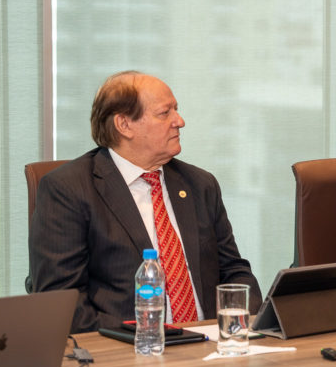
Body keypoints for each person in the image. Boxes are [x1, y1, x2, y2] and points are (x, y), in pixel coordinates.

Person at [29, 71, 261, 333]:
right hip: (128, 349)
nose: (180, 121)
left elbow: (234, 271)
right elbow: (62, 302)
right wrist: (152, 333)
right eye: (165, 113)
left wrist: (242, 322)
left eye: (177, 110)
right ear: (124, 125)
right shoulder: (69, 189)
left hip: (211, 345)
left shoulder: (200, 184)